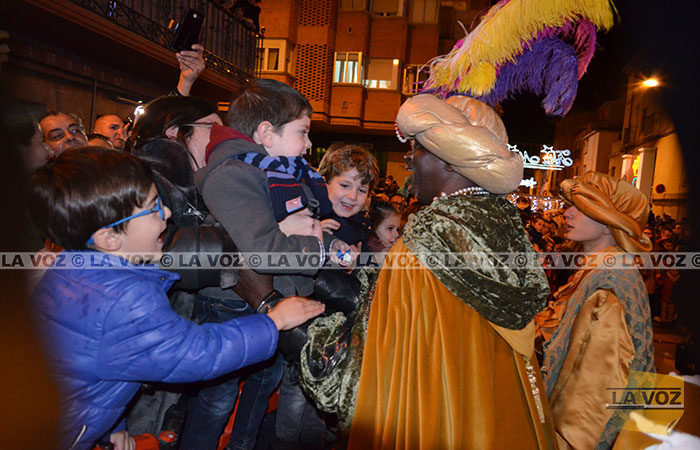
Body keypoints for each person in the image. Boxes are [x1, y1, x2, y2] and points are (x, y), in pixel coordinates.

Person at [301, 94, 555, 448]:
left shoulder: (426, 242)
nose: (409, 159)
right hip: (493, 418)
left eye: (418, 149)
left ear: (449, 161)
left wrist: (279, 310)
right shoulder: (501, 224)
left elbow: (363, 372)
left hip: (432, 421)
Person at [28, 148, 324, 450]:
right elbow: (197, 354)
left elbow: (92, 367)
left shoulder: (69, 269)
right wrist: (274, 321)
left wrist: (111, 427)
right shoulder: (125, 298)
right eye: (153, 208)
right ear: (109, 239)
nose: (167, 213)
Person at [195, 78, 352, 450]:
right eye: (303, 132)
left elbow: (304, 224)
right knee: (218, 401)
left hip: (276, 299)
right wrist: (316, 243)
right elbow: (264, 251)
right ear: (266, 133)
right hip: (234, 305)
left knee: (263, 388)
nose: (309, 144)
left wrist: (335, 246)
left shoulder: (281, 172)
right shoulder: (233, 175)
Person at [537, 171, 655, 449]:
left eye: (580, 208)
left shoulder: (608, 286)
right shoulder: (599, 269)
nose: (567, 213)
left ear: (608, 224)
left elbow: (590, 402)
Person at [318, 144, 378, 248]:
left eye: (361, 190)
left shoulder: (362, 230)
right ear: (324, 183)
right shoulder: (305, 219)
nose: (353, 196)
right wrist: (312, 240)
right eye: (345, 186)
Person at [363, 198, 401, 266]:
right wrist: (374, 261)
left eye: (397, 229)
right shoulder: (361, 254)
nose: (396, 234)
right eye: (390, 228)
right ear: (373, 227)